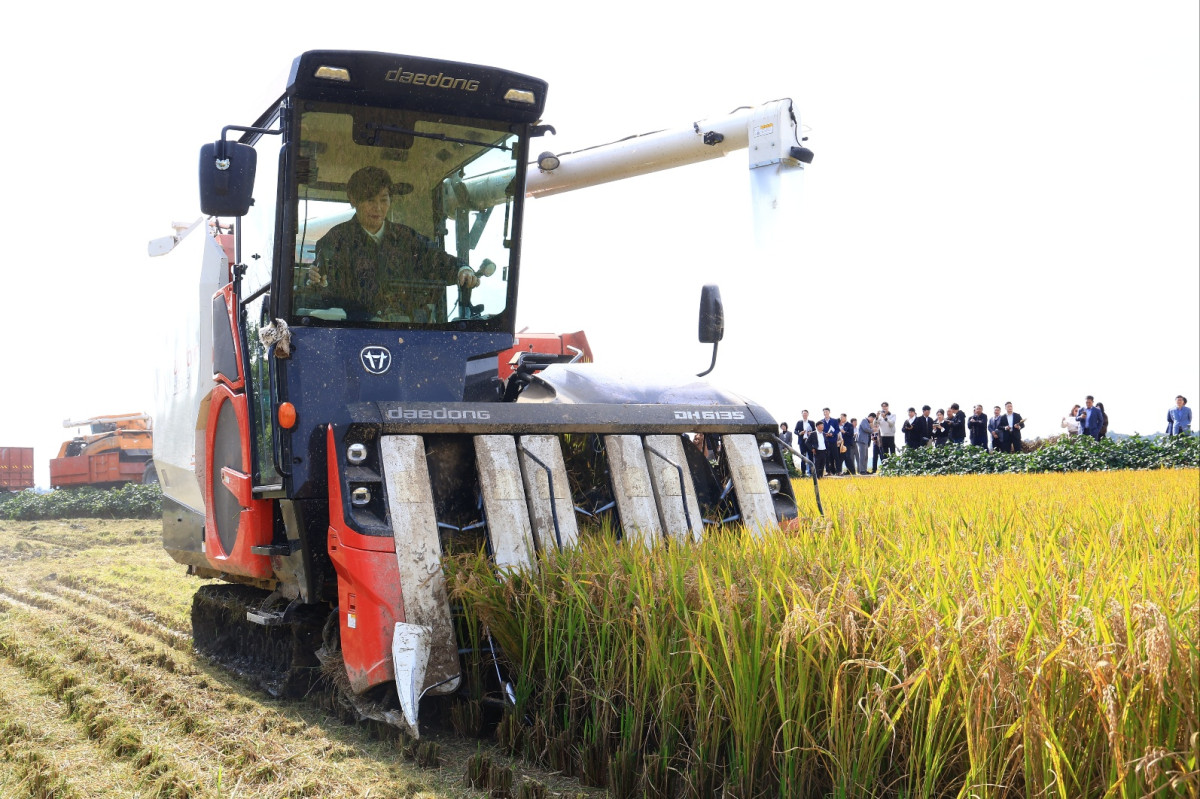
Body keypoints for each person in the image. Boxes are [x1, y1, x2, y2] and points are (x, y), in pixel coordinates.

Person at [304, 166, 479, 322]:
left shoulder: (406, 237)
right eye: (370, 200)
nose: (378, 208)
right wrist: (315, 281)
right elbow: (322, 293)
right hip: (354, 331)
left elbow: (436, 258)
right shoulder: (334, 241)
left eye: (383, 199)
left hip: (405, 330)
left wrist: (462, 269)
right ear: (354, 200)